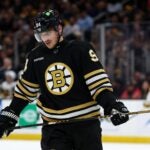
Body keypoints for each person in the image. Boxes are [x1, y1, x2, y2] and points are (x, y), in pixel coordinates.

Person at [0, 9, 129, 150]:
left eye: (48, 33)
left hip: (86, 126)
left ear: (59, 29)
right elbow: (24, 93)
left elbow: (98, 86)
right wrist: (11, 112)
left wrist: (112, 105)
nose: (45, 39)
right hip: (55, 130)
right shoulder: (35, 57)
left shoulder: (81, 50)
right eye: (41, 34)